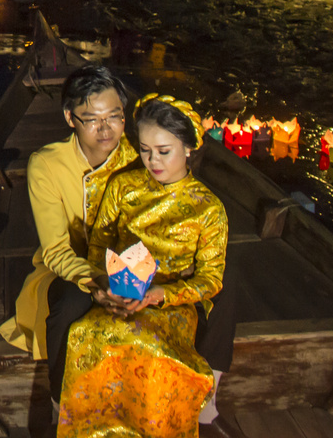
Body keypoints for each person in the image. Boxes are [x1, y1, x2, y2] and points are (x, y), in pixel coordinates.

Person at [58, 95, 232, 438]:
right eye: (145, 150)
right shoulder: (123, 187)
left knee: (152, 348)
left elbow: (210, 280)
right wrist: (103, 290)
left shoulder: (209, 209)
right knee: (86, 333)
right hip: (119, 295)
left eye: (163, 151)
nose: (152, 160)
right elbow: (98, 247)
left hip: (171, 305)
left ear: (188, 148)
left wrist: (159, 295)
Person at [0, 66, 140, 408]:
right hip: (68, 267)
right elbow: (56, 250)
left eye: (114, 116)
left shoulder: (138, 159)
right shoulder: (46, 165)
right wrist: (95, 281)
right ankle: (59, 404)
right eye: (92, 119)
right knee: (69, 305)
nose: (106, 129)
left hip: (129, 264)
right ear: (69, 118)